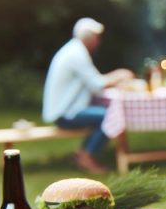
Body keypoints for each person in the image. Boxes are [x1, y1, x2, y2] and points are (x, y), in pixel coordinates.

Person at [42, 17, 135, 174]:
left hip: (66, 110)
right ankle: (87, 155)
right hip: (65, 114)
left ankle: (83, 152)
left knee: (108, 113)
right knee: (110, 115)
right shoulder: (76, 54)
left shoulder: (73, 50)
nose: (99, 41)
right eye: (97, 37)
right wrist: (120, 75)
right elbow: (97, 84)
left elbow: (93, 85)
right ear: (90, 38)